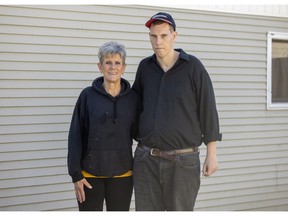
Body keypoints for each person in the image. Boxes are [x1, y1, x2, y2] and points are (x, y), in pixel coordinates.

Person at [132, 12, 222, 211]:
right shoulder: (145, 68)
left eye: (163, 36)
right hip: (146, 160)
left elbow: (208, 108)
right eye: (153, 36)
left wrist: (212, 153)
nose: (158, 41)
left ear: (174, 36)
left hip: (183, 162)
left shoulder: (193, 67)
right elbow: (134, 106)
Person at [67, 41, 140, 211]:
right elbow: (75, 136)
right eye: (108, 62)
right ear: (100, 66)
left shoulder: (133, 99)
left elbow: (141, 134)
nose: (112, 67)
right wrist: (75, 174)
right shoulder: (87, 96)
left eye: (117, 63)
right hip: (89, 176)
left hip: (123, 175)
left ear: (124, 67)